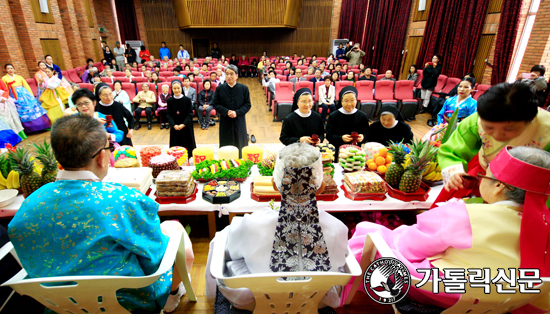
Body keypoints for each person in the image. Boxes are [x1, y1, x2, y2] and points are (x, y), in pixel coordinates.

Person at [8, 114, 194, 314]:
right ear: (101, 156)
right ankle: (172, 297)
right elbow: (154, 255)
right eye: (109, 148)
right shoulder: (123, 198)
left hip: (57, 304)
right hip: (127, 301)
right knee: (174, 230)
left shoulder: (29, 204)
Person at [342, 146, 550, 313]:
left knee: (369, 231)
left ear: (499, 186)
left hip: (443, 293)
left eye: (486, 175)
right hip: (506, 298)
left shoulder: (464, 215)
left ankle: (340, 292)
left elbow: (409, 247)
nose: (481, 179)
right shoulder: (544, 226)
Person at [205, 142, 348, 311]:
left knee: (221, 241)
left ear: (274, 185)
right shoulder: (338, 228)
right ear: (321, 188)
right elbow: (340, 263)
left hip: (254, 303)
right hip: (315, 301)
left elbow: (229, 251)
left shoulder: (250, 224)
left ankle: (213, 296)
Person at [434, 82, 550, 206]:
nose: (497, 136)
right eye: (489, 128)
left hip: (528, 187)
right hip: (484, 174)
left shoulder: (546, 129)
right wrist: (454, 171)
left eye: (508, 129)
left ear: (529, 120)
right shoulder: (480, 117)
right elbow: (451, 150)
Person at [212, 65, 251, 156]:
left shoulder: (244, 88)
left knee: (240, 142)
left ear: (236, 75)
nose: (229, 76)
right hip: (225, 120)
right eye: (227, 74)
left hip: (239, 119)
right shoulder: (220, 89)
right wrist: (226, 112)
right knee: (226, 143)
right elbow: (216, 104)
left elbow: (247, 105)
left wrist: (236, 112)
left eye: (231, 74)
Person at [2, 64, 50, 133]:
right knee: (21, 111)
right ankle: (29, 129)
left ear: (14, 69)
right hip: (14, 95)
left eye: (11, 68)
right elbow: (5, 89)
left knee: (33, 107)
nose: (10, 70)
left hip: (25, 94)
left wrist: (31, 95)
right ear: (5, 70)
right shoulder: (4, 78)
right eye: (8, 69)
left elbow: (26, 86)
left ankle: (41, 125)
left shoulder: (19, 77)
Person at [326, 86, 369, 158]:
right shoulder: (334, 116)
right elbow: (328, 135)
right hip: (338, 150)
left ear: (356, 100)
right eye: (346, 101)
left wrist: (363, 137)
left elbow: (367, 133)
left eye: (352, 100)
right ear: (341, 101)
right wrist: (341, 138)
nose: (349, 104)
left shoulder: (362, 116)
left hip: (356, 151)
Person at [167, 80, 196, 153]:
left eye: (178, 88)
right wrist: (174, 125)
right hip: (175, 127)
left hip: (186, 126)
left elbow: (190, 114)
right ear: (172, 89)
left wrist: (183, 124)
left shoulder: (187, 100)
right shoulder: (170, 101)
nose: (176, 90)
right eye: (174, 88)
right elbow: (168, 115)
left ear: (181, 88)